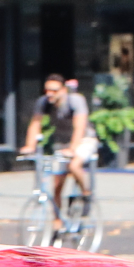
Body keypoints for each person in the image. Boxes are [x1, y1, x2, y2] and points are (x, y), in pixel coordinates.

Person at [18, 72, 93, 232]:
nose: (49, 94)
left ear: (63, 90)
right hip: (63, 144)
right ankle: (57, 220)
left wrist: (73, 149)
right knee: (56, 185)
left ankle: (86, 193)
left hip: (85, 140)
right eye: (47, 90)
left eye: (54, 90)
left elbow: (80, 127)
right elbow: (35, 123)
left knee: (74, 165)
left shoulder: (76, 100)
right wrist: (30, 146)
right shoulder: (43, 102)